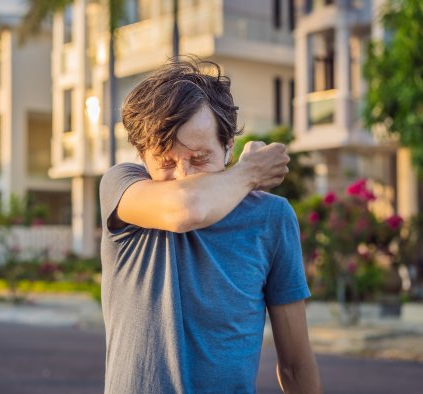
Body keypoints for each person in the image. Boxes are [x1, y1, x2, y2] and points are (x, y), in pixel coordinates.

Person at [99, 57, 322, 393]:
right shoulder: (123, 187)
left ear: (228, 146)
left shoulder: (272, 218)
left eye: (200, 158)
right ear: (143, 158)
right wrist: (249, 172)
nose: (184, 174)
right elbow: (187, 209)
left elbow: (295, 364)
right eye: (166, 162)